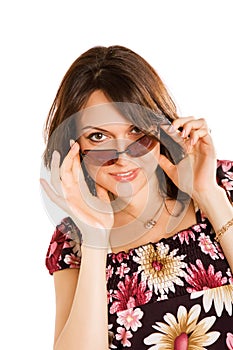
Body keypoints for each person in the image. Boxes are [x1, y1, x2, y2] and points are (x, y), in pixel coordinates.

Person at [40, 45, 233, 350]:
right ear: (73, 149)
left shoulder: (223, 185)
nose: (122, 157)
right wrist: (95, 237)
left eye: (135, 131)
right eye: (98, 137)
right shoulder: (72, 241)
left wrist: (209, 196)